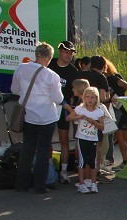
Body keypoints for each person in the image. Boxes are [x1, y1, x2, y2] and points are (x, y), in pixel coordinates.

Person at [11, 41, 63, 194]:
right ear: (49, 57)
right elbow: (58, 99)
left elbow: (14, 89)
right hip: (47, 117)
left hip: (28, 116)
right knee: (43, 151)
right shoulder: (51, 75)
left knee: (27, 149)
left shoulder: (20, 68)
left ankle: (21, 184)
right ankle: (40, 186)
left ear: (36, 54)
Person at [47, 40, 79, 184]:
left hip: (63, 108)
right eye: (66, 52)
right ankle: (48, 169)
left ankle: (64, 171)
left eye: (71, 53)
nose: (69, 55)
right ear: (59, 51)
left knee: (64, 140)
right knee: (46, 139)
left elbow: (76, 92)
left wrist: (72, 105)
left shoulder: (73, 71)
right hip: (46, 106)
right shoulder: (50, 64)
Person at [66, 86, 105, 194]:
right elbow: (68, 118)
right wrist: (78, 117)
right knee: (82, 162)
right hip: (82, 138)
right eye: (87, 97)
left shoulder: (99, 111)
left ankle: (93, 183)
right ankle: (82, 184)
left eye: (92, 97)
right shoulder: (80, 109)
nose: (90, 99)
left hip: (93, 139)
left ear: (96, 99)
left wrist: (94, 122)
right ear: (84, 98)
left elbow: (102, 127)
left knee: (93, 162)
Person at [104, 58, 127, 170]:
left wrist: (123, 98)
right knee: (119, 135)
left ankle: (126, 160)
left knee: (120, 134)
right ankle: (125, 160)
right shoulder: (107, 78)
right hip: (116, 108)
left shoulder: (112, 77)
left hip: (121, 108)